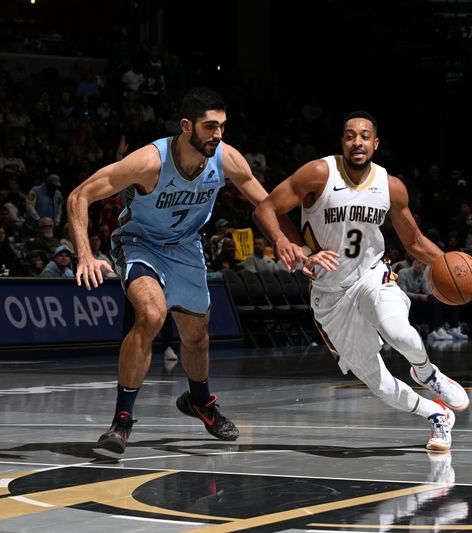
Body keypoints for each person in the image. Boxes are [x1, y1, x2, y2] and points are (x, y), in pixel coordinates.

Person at [67, 87, 298, 454]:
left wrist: (295, 245)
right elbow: (79, 196)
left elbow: (268, 204)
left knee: (196, 337)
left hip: (186, 247)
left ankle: (200, 401)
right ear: (186, 126)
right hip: (139, 243)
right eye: (210, 127)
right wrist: (84, 255)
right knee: (151, 315)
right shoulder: (149, 162)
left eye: (222, 126)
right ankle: (121, 422)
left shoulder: (226, 158)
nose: (218, 134)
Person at [254, 111, 471, 452]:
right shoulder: (318, 173)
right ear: (342, 142)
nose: (358, 142)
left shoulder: (391, 186)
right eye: (350, 135)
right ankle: (436, 415)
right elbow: (266, 209)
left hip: (372, 276)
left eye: (365, 136)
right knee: (380, 385)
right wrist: (291, 246)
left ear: (376, 143)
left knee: (399, 331)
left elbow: (413, 241)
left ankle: (426, 372)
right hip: (328, 295)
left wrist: (453, 267)